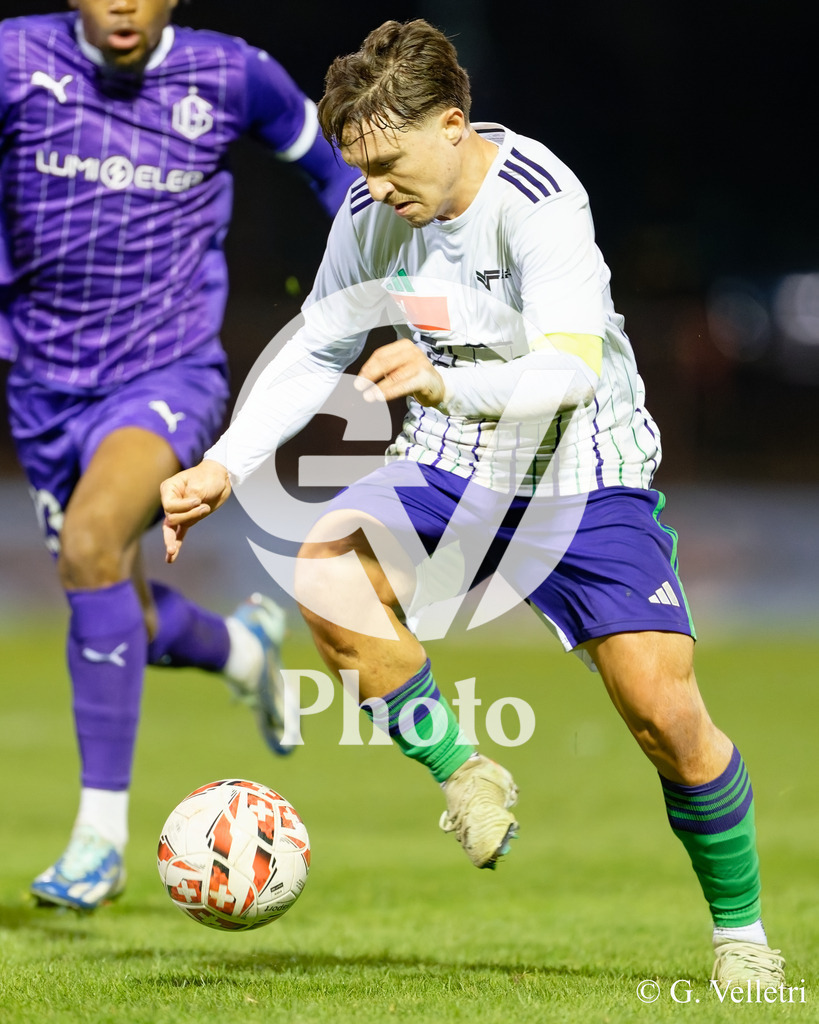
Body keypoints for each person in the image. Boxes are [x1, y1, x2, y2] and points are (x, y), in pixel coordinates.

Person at [160, 19, 785, 986]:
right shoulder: (372, 218)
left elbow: (567, 374)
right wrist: (226, 465)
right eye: (358, 168)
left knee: (665, 716)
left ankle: (741, 937)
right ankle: (464, 773)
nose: (372, 189)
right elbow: (317, 345)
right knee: (325, 565)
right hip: (454, 464)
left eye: (388, 162)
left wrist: (447, 385)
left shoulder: (539, 201)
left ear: (453, 125)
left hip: (581, 473)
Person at [0, 0, 357, 911]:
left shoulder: (233, 74)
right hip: (40, 384)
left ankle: (98, 841)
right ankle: (241, 650)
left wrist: (374, 288)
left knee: (89, 547)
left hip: (168, 372)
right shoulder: (14, 59)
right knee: (118, 607)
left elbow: (336, 182)